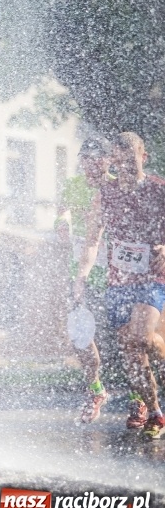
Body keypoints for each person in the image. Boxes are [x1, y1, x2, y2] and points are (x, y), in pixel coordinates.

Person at [75, 132, 165, 440]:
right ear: (114, 161)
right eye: (120, 161)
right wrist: (82, 275)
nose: (125, 166)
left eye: (131, 160)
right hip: (118, 282)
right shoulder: (105, 194)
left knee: (140, 337)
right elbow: (91, 241)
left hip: (153, 278)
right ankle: (154, 411)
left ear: (143, 158)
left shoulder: (158, 190)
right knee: (131, 349)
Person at [57, 136, 114, 423]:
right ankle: (96, 390)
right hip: (80, 273)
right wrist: (62, 224)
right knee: (80, 335)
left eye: (96, 157)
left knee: (123, 340)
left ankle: (138, 399)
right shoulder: (74, 185)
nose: (90, 163)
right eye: (85, 158)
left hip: (116, 273)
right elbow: (61, 210)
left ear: (108, 160)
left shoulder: (117, 187)